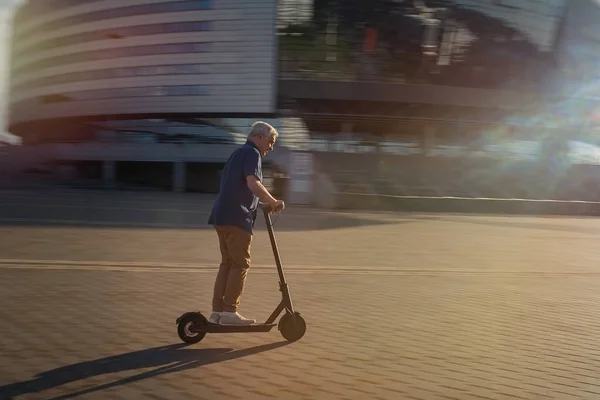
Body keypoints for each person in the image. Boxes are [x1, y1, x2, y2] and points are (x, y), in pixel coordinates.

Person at [207, 121, 285, 325]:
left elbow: (238, 187)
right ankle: (230, 312)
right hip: (237, 219)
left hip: (221, 216)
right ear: (259, 137)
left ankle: (216, 313)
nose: (271, 147)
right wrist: (273, 201)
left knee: (227, 264)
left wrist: (259, 204)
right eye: (271, 141)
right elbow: (253, 183)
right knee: (241, 263)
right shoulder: (252, 154)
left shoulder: (237, 153)